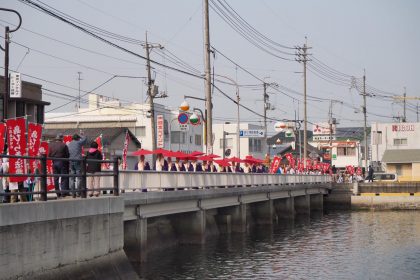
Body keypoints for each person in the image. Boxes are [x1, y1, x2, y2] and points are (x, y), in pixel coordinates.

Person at [48, 133, 70, 198]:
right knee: (64, 177)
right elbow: (67, 155)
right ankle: (63, 192)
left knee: (56, 178)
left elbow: (49, 155)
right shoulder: (64, 145)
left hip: (54, 162)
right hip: (62, 162)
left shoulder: (51, 145)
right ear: (61, 139)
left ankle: (58, 193)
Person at [67, 132, 87, 198]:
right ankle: (78, 192)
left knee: (72, 178)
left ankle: (73, 193)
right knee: (79, 177)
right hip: (78, 161)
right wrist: (81, 135)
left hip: (70, 161)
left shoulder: (69, 143)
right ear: (78, 138)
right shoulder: (78, 142)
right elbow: (85, 139)